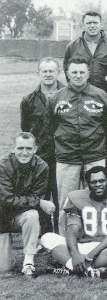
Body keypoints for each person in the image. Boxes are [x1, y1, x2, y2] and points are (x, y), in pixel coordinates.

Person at [50, 57, 107, 233]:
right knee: (66, 202)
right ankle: (65, 242)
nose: (78, 76)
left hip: (95, 156)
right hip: (66, 158)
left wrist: (104, 154)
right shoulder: (56, 98)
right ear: (67, 74)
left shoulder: (101, 96)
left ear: (88, 74)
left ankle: (96, 237)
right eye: (74, 72)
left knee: (97, 199)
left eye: (81, 72)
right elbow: (51, 127)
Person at [39, 165, 107, 277]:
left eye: (101, 181)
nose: (98, 185)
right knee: (47, 237)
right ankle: (86, 270)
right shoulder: (76, 197)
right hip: (83, 246)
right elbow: (72, 231)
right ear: (87, 184)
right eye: (94, 182)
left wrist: (89, 256)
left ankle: (74, 269)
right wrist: (75, 254)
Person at [0, 133, 53, 275]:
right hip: (2, 217)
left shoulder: (42, 167)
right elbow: (6, 199)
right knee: (4, 267)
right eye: (20, 148)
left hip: (22, 215)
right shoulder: (3, 166)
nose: (24, 152)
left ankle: (28, 262)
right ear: (13, 149)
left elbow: (36, 197)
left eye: (29, 148)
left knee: (32, 215)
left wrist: (37, 202)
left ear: (35, 149)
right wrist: (39, 202)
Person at [20, 57, 63, 226]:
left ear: (58, 73)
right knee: (41, 197)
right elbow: (25, 130)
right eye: (44, 71)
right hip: (41, 157)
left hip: (63, 155)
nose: (48, 74)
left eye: (51, 71)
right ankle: (45, 238)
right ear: (38, 73)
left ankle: (61, 235)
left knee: (61, 196)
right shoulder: (28, 100)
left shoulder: (68, 95)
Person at [63, 10, 107, 91]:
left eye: (95, 22)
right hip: (80, 93)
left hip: (105, 94)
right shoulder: (72, 46)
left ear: (101, 25)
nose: (92, 25)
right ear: (83, 25)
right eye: (89, 23)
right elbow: (67, 71)